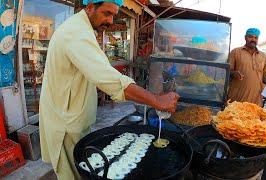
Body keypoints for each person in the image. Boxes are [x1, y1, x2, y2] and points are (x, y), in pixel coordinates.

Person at [39, 0, 180, 179]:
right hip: (65, 124)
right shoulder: (76, 34)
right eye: (106, 13)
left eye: (114, 14)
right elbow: (109, 80)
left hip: (71, 117)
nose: (111, 21)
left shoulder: (81, 29)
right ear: (90, 8)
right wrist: (157, 100)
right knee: (73, 175)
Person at [227, 28, 266, 106]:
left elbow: (265, 77)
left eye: (256, 38)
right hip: (237, 100)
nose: (253, 39)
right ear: (245, 37)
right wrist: (233, 73)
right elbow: (226, 71)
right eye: (250, 37)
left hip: (256, 102)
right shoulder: (235, 52)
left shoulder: (263, 56)